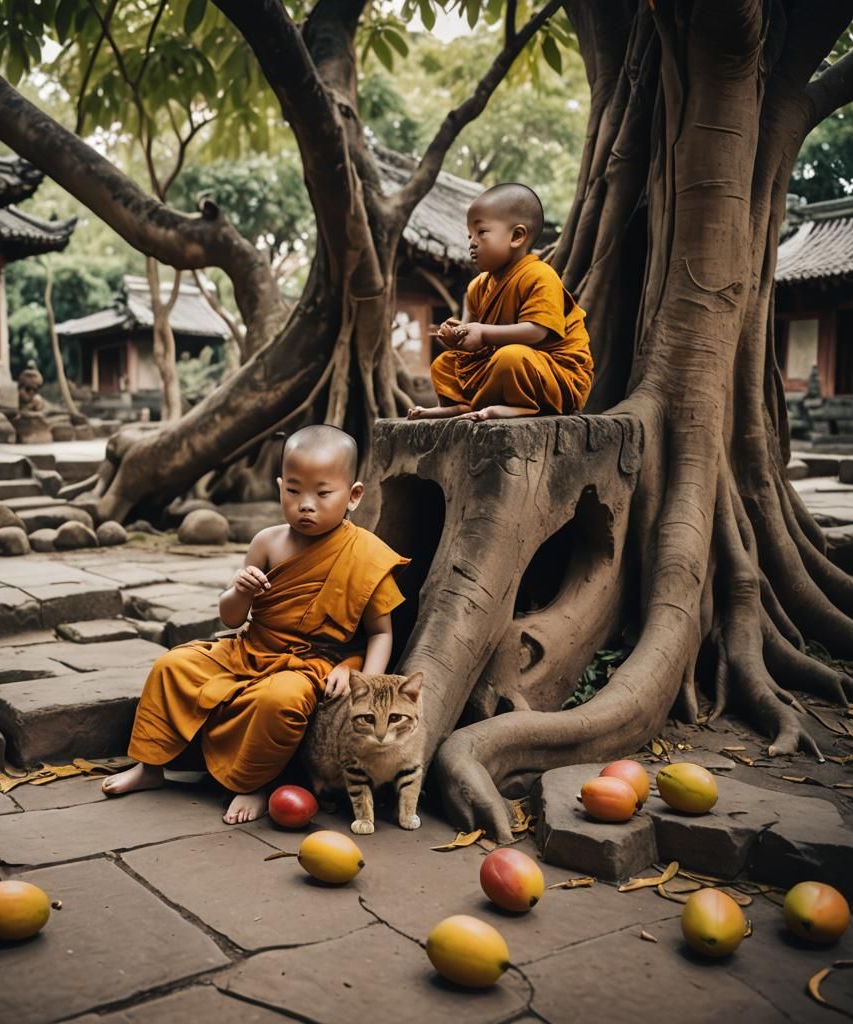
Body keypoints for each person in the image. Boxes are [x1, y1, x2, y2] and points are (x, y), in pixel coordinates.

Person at [102, 425, 409, 824]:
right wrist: (240, 592)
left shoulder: (367, 555)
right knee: (171, 667)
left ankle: (254, 784)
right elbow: (231, 618)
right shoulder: (267, 542)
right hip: (249, 649)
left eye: (322, 493)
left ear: (353, 496)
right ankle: (149, 767)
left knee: (278, 701)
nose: (306, 505)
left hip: (310, 663)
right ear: (279, 486)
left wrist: (364, 687)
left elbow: (381, 633)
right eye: (294, 490)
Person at [408, 183, 593, 421]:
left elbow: (537, 332)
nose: (472, 242)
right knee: (445, 363)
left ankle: (522, 407)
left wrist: (484, 332)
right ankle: (462, 405)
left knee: (510, 357)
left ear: (516, 236)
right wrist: (457, 338)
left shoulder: (540, 275)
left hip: (553, 374)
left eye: (481, 232)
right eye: (469, 235)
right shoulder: (478, 287)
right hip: (498, 365)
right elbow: (474, 344)